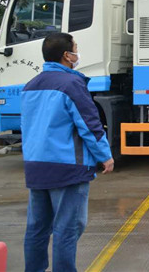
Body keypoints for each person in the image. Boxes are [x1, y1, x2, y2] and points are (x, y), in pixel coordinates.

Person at [21, 32, 114, 272]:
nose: (77, 52)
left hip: (35, 166)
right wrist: (105, 156)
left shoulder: (31, 85)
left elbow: (27, 127)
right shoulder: (71, 84)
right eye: (75, 48)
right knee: (67, 228)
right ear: (66, 55)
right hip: (66, 167)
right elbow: (90, 124)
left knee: (37, 228)